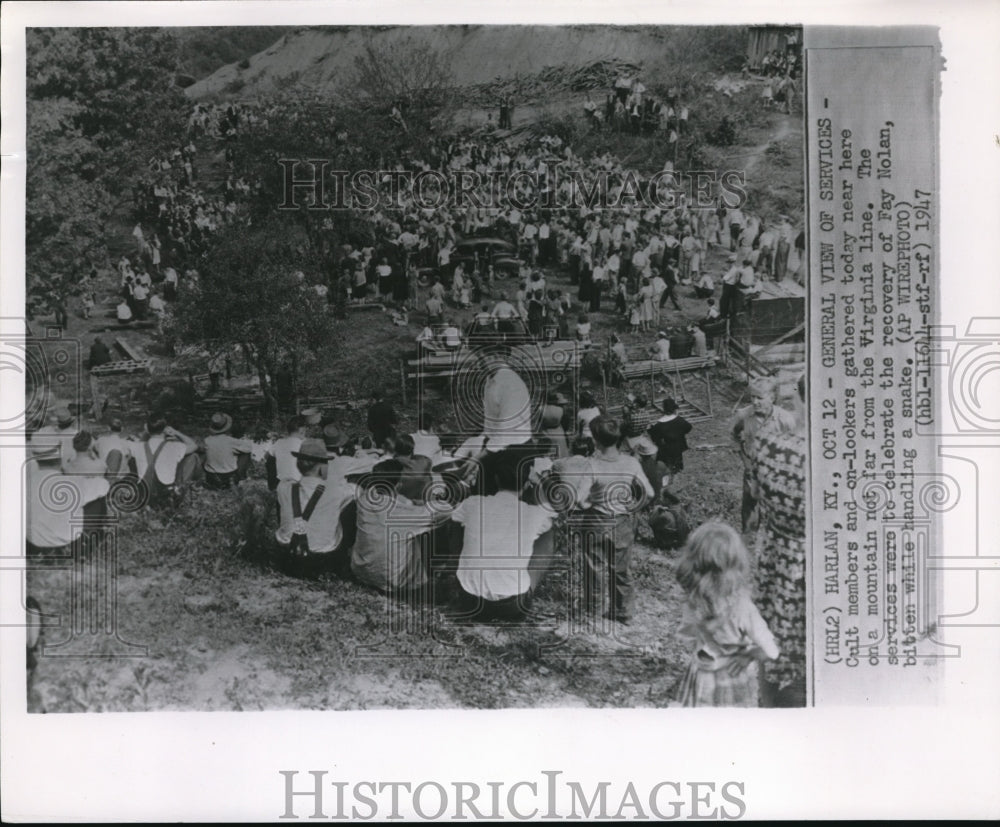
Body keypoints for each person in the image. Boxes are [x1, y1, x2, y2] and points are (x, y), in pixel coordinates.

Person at [674, 521, 779, 707]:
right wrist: (748, 654)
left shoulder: (693, 602)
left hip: (703, 675)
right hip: (734, 677)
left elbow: (686, 635)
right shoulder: (743, 608)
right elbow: (771, 651)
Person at [750, 375, 807, 707]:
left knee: (777, 658)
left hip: (782, 571)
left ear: (796, 398)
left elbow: (758, 494)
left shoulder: (772, 446)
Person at [450, 449, 555, 622]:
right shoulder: (535, 514)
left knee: (458, 522)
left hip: (469, 602)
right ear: (527, 482)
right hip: (512, 606)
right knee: (549, 532)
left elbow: (455, 524)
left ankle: (459, 572)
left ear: (496, 478)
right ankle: (529, 587)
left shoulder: (473, 503)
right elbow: (552, 512)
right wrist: (537, 485)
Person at [571, 416, 654, 623]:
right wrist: (634, 507)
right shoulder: (631, 462)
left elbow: (579, 500)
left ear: (596, 441)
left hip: (597, 520)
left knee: (594, 566)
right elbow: (649, 493)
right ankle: (623, 611)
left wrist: (589, 503)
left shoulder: (592, 464)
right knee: (621, 568)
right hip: (622, 521)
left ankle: (594, 610)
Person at [351, 458, 453, 595]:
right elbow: (446, 511)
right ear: (398, 485)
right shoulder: (402, 515)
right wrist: (427, 502)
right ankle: (428, 578)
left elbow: (395, 503)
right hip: (392, 582)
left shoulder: (364, 498)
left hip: (362, 571)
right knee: (424, 530)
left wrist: (413, 504)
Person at [274, 438, 356, 579]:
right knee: (350, 507)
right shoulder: (337, 490)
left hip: (288, 553)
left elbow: (292, 483)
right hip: (321, 558)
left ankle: (290, 533)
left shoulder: (283, 487)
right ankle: (345, 560)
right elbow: (358, 492)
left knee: (284, 503)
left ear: (298, 464)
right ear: (321, 466)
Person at [26, 441, 109, 557]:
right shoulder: (72, 483)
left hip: (33, 545)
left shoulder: (26, 483)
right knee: (97, 500)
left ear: (35, 458)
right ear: (60, 457)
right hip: (67, 547)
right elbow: (104, 484)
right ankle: (86, 545)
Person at [132, 417, 199, 507]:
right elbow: (194, 445)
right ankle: (183, 488)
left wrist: (146, 432)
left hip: (146, 493)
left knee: (133, 460)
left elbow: (141, 441)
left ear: (147, 429)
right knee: (192, 457)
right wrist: (176, 432)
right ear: (164, 429)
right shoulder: (174, 446)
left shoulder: (137, 446)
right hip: (166, 494)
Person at [648, 398, 692, 490]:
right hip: (678, 446)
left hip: (666, 448)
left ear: (664, 409)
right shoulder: (679, 420)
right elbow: (689, 427)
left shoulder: (660, 424)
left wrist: (650, 429)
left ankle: (667, 483)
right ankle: (675, 479)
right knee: (676, 464)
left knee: (666, 466)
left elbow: (655, 437)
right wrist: (679, 433)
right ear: (674, 409)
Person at [203, 413, 252, 490]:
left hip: (211, 477)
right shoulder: (231, 441)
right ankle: (241, 477)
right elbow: (249, 448)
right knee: (246, 454)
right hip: (228, 477)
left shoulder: (207, 440)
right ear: (227, 427)